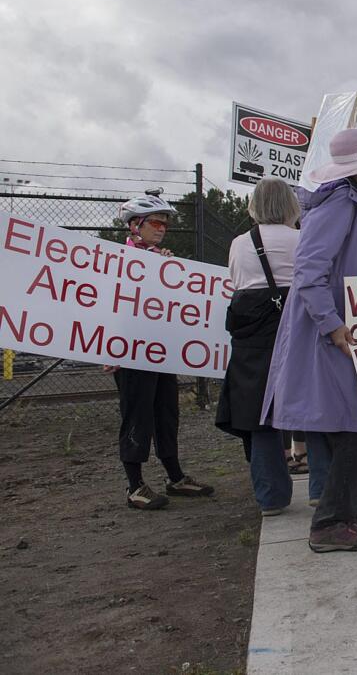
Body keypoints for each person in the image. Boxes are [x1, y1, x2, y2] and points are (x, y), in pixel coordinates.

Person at [261, 128, 357, 553]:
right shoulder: (341, 202)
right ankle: (331, 521)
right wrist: (331, 324)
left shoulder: (355, 202)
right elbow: (309, 269)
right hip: (344, 331)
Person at [216, 178, 329, 515]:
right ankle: (322, 487)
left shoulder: (239, 243)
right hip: (296, 326)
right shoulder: (304, 238)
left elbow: (237, 283)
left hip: (252, 335)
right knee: (314, 406)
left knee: (258, 414)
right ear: (292, 205)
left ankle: (271, 496)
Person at [108, 190, 214, 509]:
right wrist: (107, 348)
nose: (162, 227)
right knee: (137, 415)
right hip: (130, 351)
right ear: (135, 226)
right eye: (155, 221)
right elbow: (107, 305)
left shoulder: (158, 259)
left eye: (165, 222)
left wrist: (168, 276)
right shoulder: (117, 262)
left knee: (167, 413)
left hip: (160, 350)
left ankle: (175, 477)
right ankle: (134, 486)